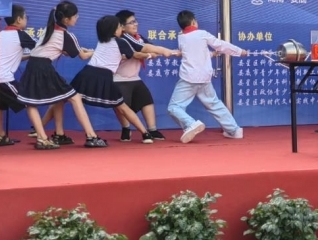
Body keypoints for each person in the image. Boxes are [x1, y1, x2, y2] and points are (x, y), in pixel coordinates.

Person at [18, 0, 107, 148]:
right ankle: (91, 136)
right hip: (44, 69)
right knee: (75, 98)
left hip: (32, 66)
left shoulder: (49, 29)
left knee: (50, 100)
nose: (77, 17)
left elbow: (65, 50)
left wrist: (83, 50)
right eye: (75, 16)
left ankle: (54, 135)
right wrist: (96, 52)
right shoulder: (66, 35)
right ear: (66, 19)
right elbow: (82, 56)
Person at [72, 16, 173, 144]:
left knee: (66, 99)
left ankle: (82, 135)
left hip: (86, 74)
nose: (122, 29)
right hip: (103, 76)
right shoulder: (121, 42)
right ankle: (145, 133)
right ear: (114, 30)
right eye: (120, 27)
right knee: (123, 108)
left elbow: (120, 54)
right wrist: (161, 51)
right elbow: (139, 51)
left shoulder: (102, 41)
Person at [169, 10, 247, 143]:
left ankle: (190, 124)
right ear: (193, 21)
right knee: (215, 104)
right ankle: (234, 130)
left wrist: (211, 55)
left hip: (188, 78)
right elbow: (221, 45)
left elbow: (193, 54)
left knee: (174, 107)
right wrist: (240, 52)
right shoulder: (202, 34)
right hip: (204, 78)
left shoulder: (181, 37)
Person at [114, 9, 177, 141]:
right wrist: (152, 53)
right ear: (122, 27)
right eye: (132, 22)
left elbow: (149, 48)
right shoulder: (121, 39)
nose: (135, 24)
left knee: (146, 101)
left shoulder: (139, 38)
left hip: (135, 78)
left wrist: (153, 53)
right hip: (119, 79)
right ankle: (126, 129)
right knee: (121, 107)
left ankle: (152, 130)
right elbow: (138, 53)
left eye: (135, 21)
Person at [0, 5, 34, 147]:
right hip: (4, 79)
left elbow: (9, 57)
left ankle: (0, 136)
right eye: (25, 17)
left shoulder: (0, 34)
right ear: (18, 19)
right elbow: (41, 49)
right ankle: (42, 136)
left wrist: (28, 56)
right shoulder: (20, 34)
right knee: (29, 101)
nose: (26, 20)